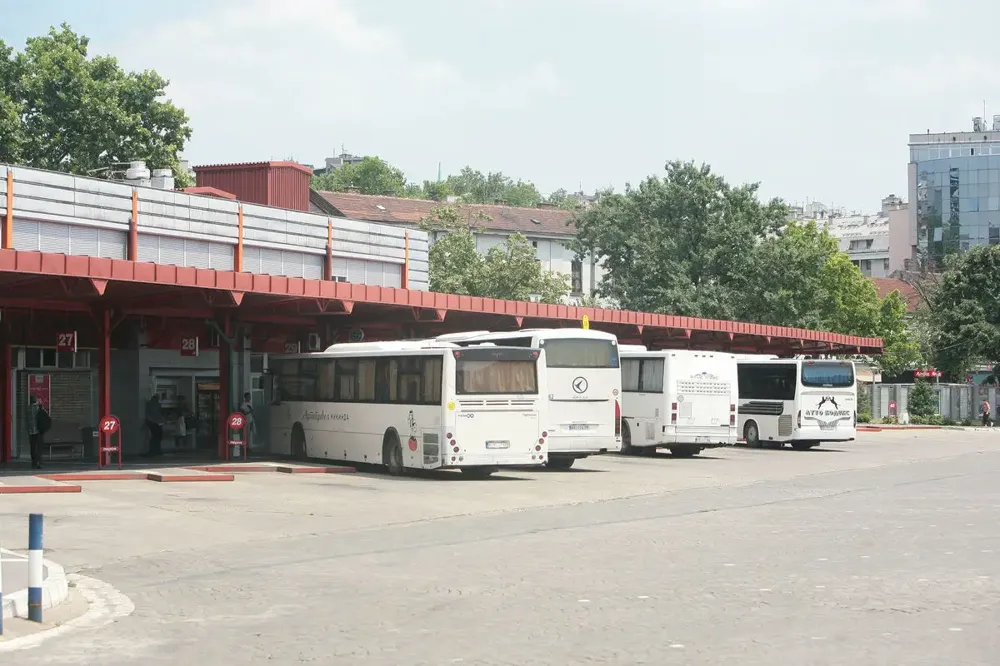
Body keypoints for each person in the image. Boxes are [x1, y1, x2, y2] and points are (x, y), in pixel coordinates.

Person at [27, 396, 43, 469]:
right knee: (38, 447)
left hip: (30, 430)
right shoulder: (38, 408)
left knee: (32, 447)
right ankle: (38, 463)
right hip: (38, 430)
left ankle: (33, 462)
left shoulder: (28, 408)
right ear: (35, 400)